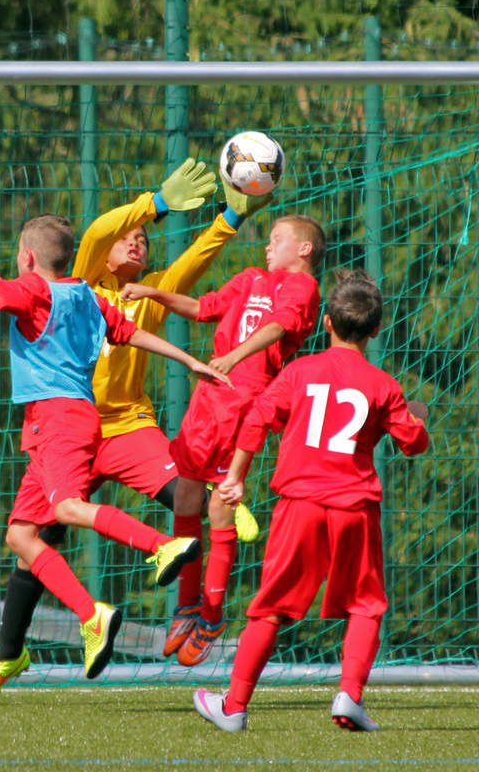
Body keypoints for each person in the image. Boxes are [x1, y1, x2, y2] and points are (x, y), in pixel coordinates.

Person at [0, 160, 272, 704]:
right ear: (99, 253)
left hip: (114, 424)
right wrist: (151, 204)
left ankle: (203, 571)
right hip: (70, 428)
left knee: (186, 493)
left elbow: (192, 265)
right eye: (127, 238)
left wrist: (227, 220)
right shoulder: (81, 281)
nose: (137, 243)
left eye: (144, 240)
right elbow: (96, 231)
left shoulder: (144, 296)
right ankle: (7, 654)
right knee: (26, 545)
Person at [193, 269, 429, 732]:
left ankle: (234, 706)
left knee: (271, 606)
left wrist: (236, 477)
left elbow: (257, 420)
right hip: (354, 507)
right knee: (366, 604)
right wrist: (417, 420)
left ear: (325, 322)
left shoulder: (299, 371)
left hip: (298, 504)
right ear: (377, 329)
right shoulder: (383, 385)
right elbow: (413, 443)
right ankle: (348, 697)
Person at [120, 211, 324, 665]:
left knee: (219, 504)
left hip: (245, 401)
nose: (268, 247)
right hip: (208, 397)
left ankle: (212, 614)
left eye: (277, 240)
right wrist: (153, 292)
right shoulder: (251, 277)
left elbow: (276, 328)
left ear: (304, 250)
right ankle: (187, 606)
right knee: (187, 497)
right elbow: (202, 307)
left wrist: (234, 356)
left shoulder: (303, 289)